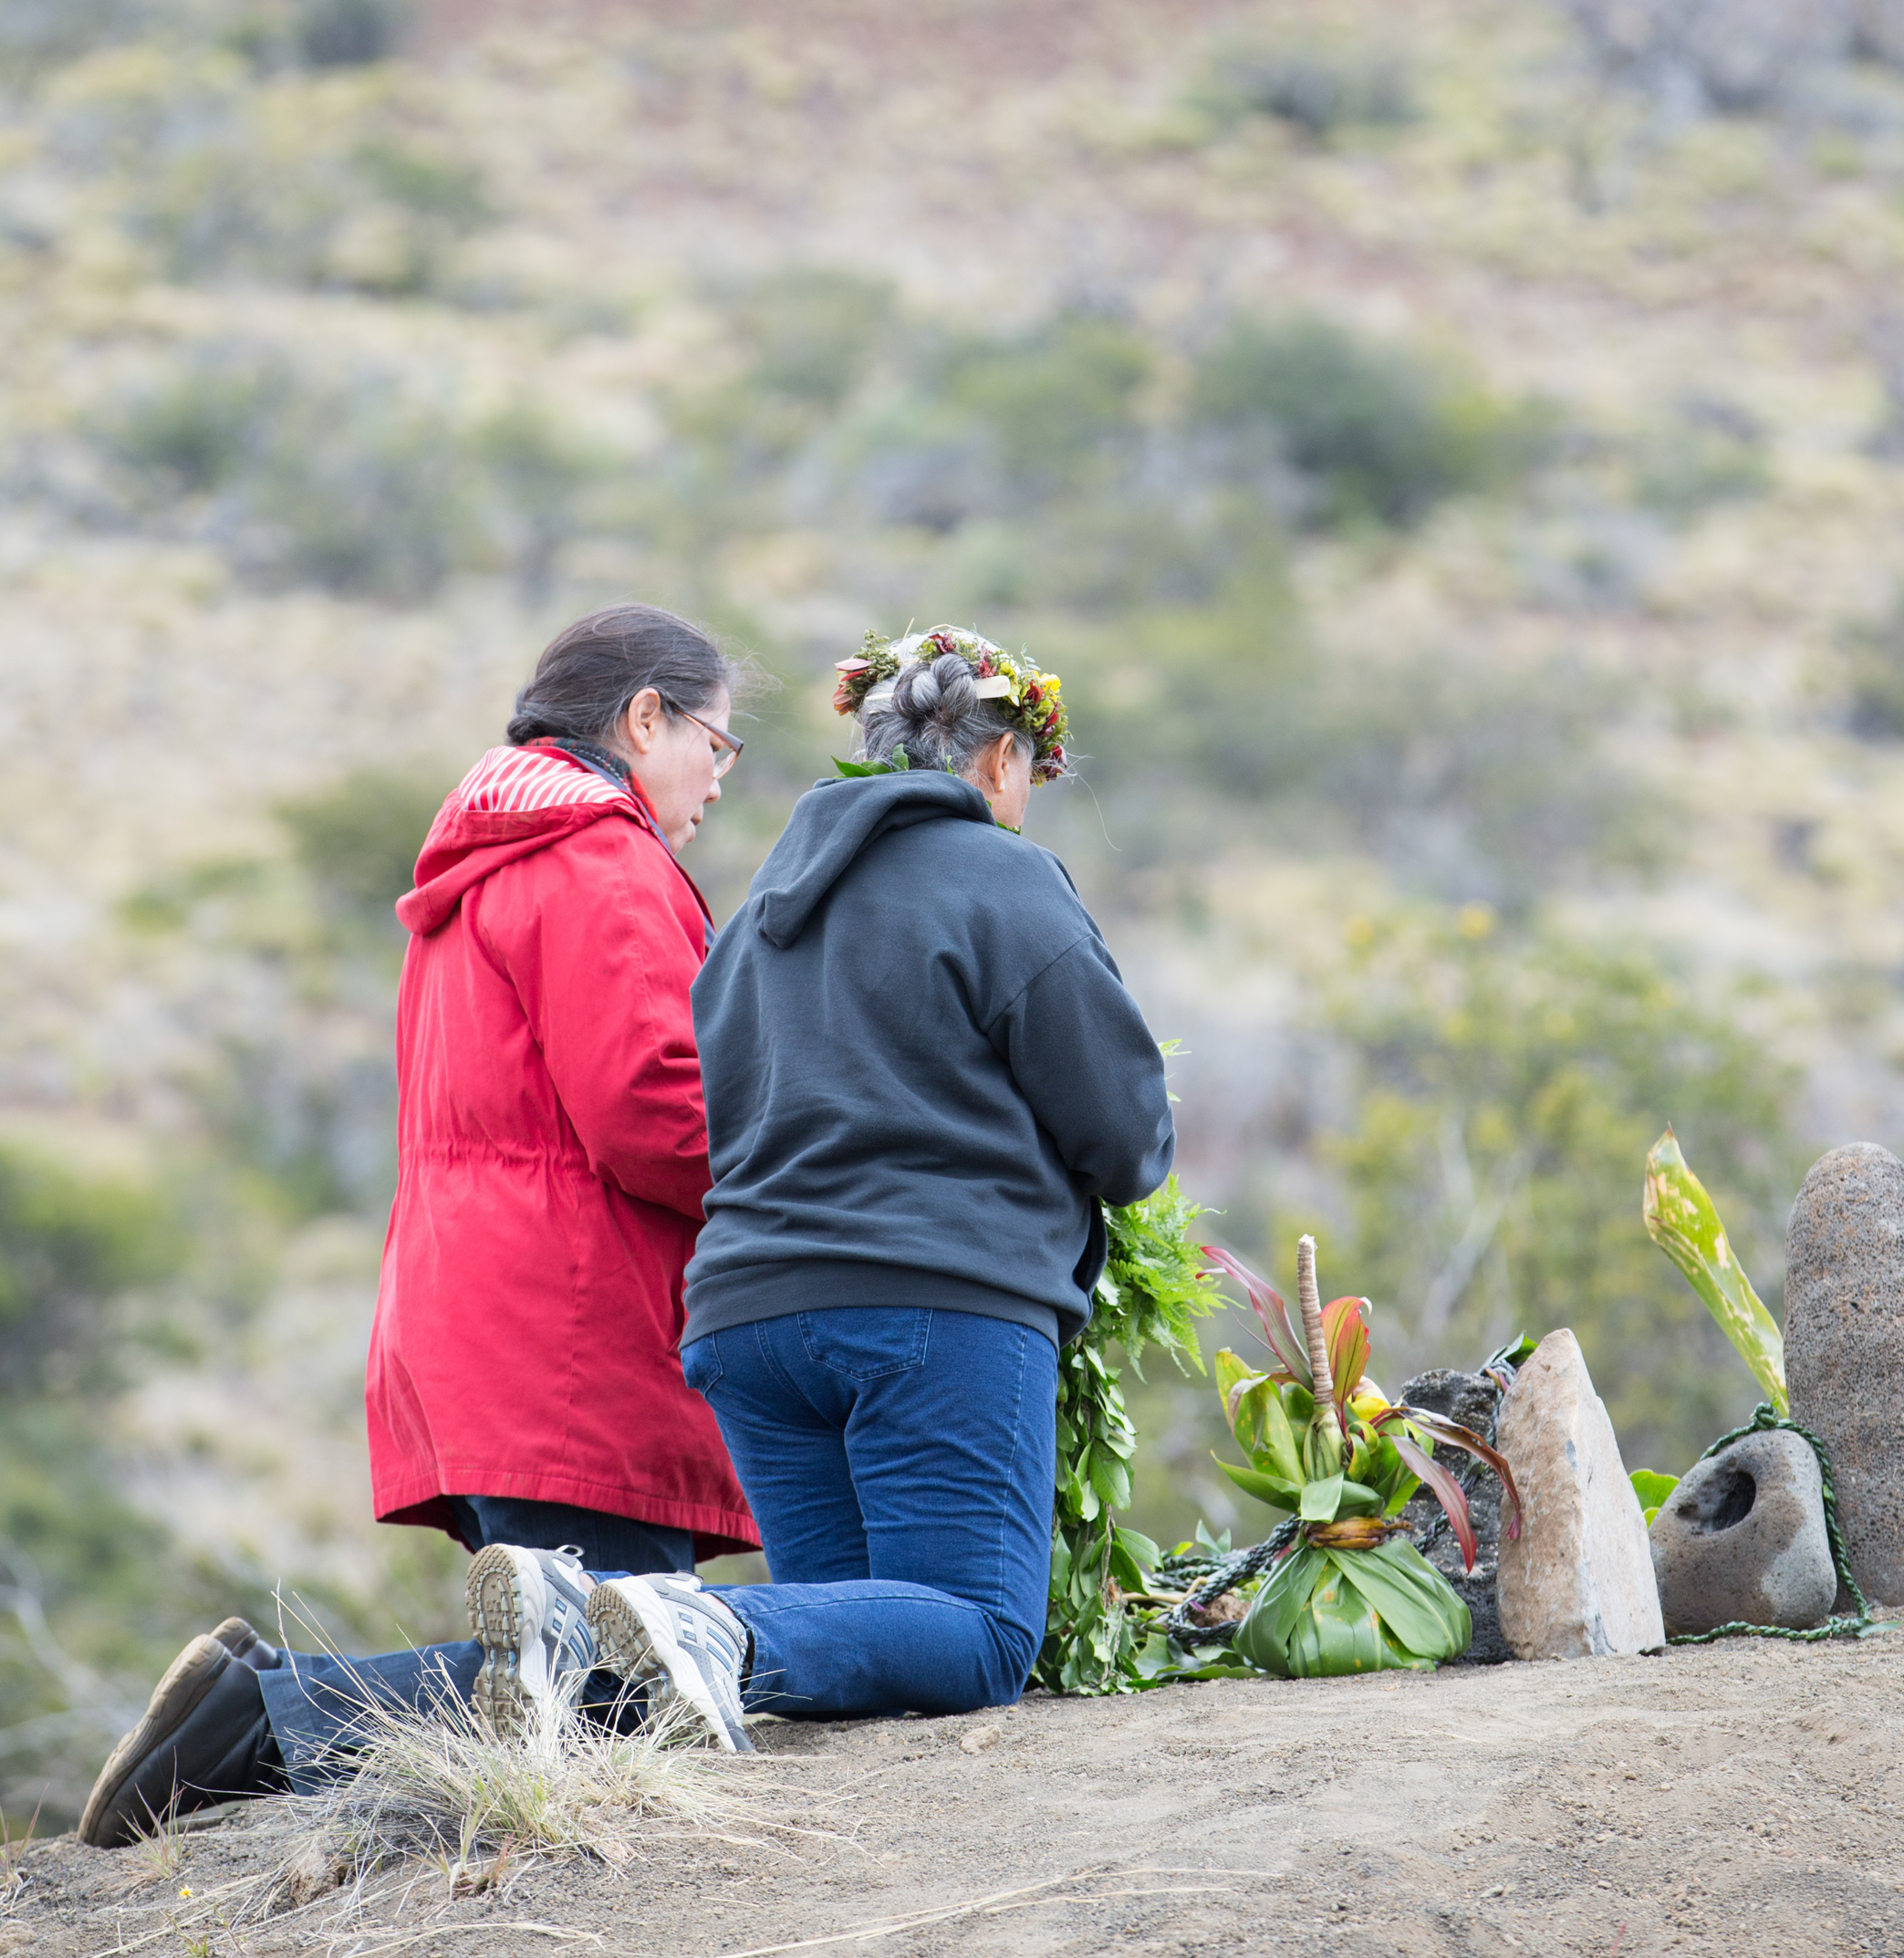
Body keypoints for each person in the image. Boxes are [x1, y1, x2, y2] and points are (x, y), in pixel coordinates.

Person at [78, 603, 762, 1847]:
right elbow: (655, 1110)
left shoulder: (488, 859)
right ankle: (266, 1719)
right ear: (645, 717)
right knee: (616, 1678)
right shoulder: (598, 859)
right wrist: (798, 1189)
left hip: (482, 1310)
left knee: (581, 1674)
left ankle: (260, 1715)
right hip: (574, 1330)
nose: (720, 778)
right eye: (717, 742)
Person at [574, 622, 1175, 1744]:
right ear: (1003, 761)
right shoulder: (1004, 880)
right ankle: (703, 1625)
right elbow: (1127, 1137)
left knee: (856, 1658)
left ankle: (595, 1641)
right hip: (929, 1308)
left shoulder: (754, 919)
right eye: (1033, 775)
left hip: (748, 1325)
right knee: (982, 1632)